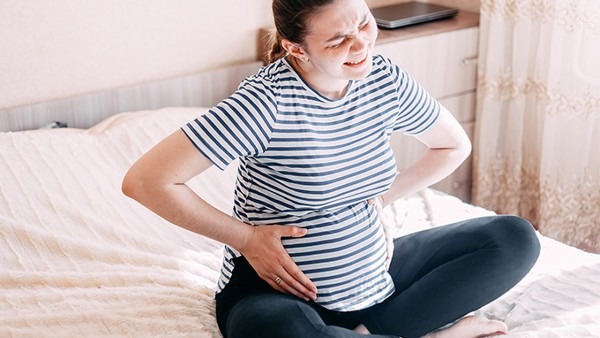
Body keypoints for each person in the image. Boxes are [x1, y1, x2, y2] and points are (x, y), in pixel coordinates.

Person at [122, 0, 540, 337]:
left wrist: (384, 196)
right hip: (279, 294)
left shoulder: (384, 80)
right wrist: (246, 238)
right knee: (279, 329)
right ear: (296, 48)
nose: (360, 45)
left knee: (513, 239)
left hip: (375, 275)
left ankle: (367, 332)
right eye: (339, 39)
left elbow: (452, 144)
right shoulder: (265, 104)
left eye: (362, 22)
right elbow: (146, 181)